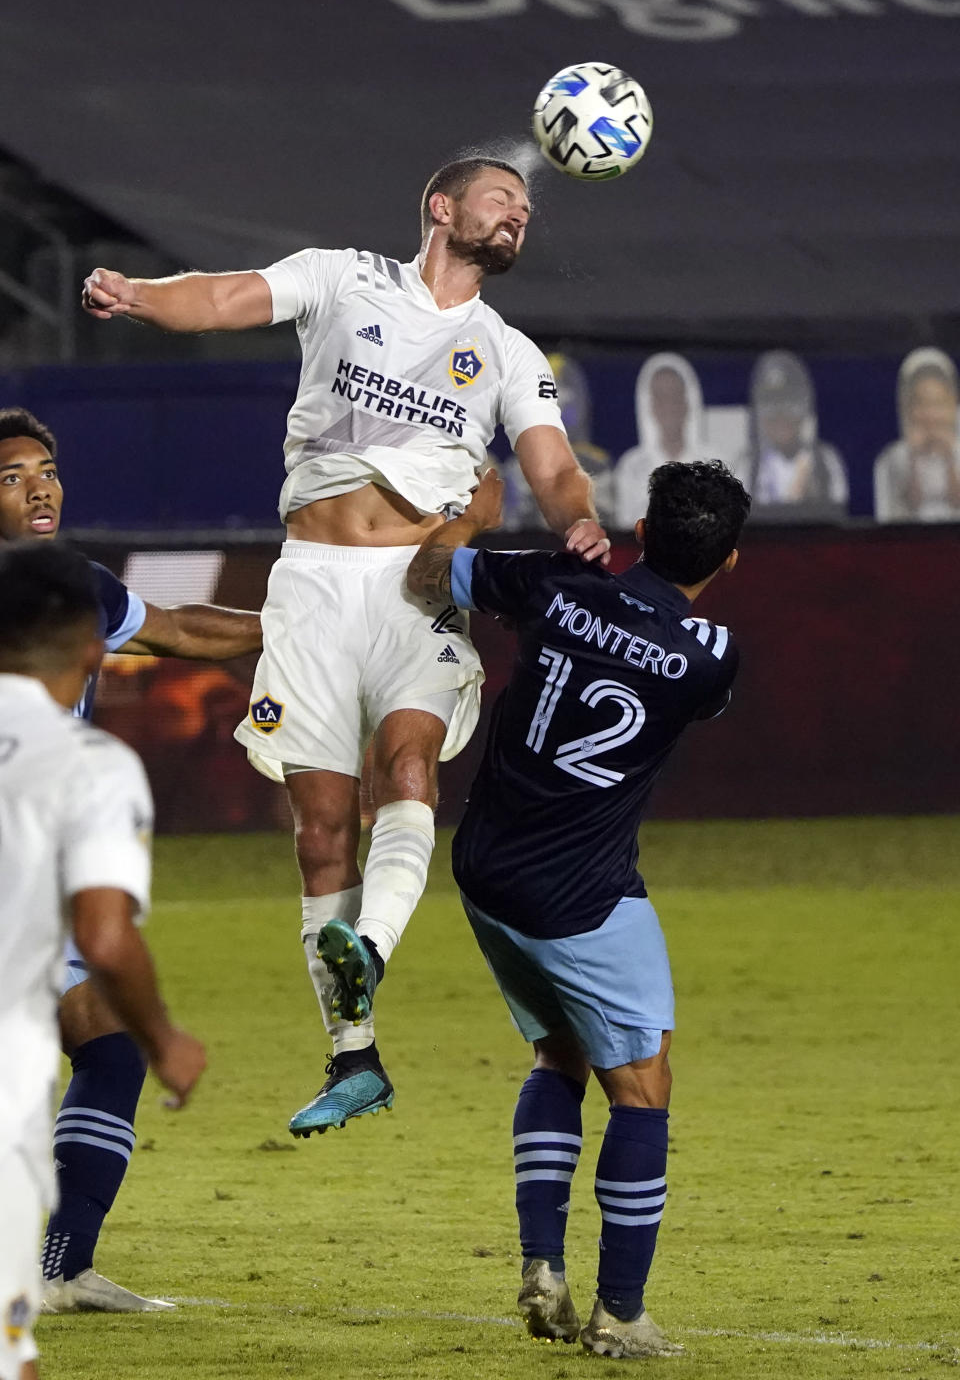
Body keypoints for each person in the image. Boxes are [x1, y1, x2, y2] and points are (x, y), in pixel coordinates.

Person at [81, 155, 610, 1138]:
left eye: (528, 211)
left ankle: (368, 942)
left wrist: (578, 521)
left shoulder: (505, 349)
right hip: (312, 582)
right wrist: (141, 295)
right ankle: (355, 1057)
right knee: (320, 827)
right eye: (503, 199)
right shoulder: (340, 278)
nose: (517, 217)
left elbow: (555, 468)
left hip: (417, 583)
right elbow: (229, 296)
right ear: (441, 208)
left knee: (404, 764)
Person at [406, 459, 750, 1359]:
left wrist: (471, 516)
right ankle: (622, 1315)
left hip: (484, 871)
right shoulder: (707, 655)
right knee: (642, 1087)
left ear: (637, 529)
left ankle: (544, 1267)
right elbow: (690, 691)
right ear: (733, 559)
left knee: (558, 1052)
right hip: (582, 894)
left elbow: (428, 573)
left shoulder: (557, 584)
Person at [0, 408, 260, 1314]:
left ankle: (63, 1265)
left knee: (102, 1051)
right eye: (10, 476)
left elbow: (179, 630)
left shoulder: (78, 582)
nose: (38, 486)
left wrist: (299, 626)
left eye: (47, 468)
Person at [0, 540, 206, 1380]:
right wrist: (169, 1041)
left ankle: (62, 1267)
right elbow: (109, 934)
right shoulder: (92, 769)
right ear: (97, 655)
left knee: (102, 1049)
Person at [502, 352, 616, 529]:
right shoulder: (516, 468)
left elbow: (607, 526)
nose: (560, 402)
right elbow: (512, 529)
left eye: (566, 390)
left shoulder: (598, 465)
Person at [738, 350, 847, 516]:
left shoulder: (827, 462)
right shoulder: (745, 467)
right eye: (770, 405)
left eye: (790, 403)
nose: (781, 415)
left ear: (805, 409)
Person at [613, 353, 706, 529]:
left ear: (688, 402)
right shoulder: (631, 467)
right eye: (661, 397)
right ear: (650, 405)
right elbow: (627, 527)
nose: (669, 405)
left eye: (675, 395)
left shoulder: (716, 463)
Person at [874, 347, 960, 522]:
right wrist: (913, 458)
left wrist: (949, 458)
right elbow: (903, 512)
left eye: (938, 403)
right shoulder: (891, 459)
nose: (930, 414)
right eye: (921, 403)